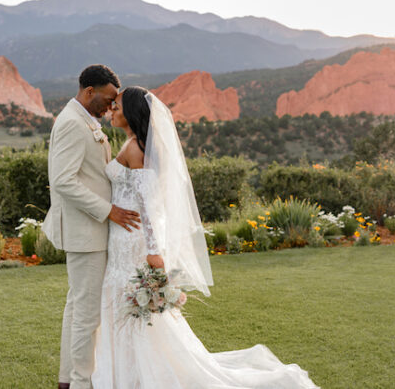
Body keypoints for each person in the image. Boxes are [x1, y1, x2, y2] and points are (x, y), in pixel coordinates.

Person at [92, 86, 319, 388]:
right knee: (127, 307)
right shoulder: (135, 144)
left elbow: (148, 204)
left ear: (132, 111)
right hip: (122, 237)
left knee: (132, 309)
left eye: (117, 106)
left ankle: (135, 376)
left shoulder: (136, 148)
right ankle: (123, 373)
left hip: (132, 241)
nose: (112, 111)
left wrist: (153, 250)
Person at [42, 65, 142, 389]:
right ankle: (81, 383)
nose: (112, 106)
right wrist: (109, 210)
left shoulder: (85, 121)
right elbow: (62, 181)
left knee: (78, 309)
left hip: (91, 232)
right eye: (109, 99)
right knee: (86, 315)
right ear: (89, 92)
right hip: (86, 232)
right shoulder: (73, 123)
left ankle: (68, 380)